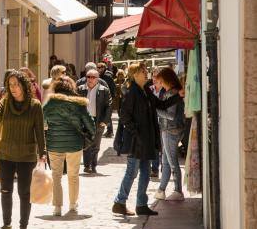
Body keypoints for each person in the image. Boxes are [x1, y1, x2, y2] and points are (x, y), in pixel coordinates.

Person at [112, 61, 177, 217]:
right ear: (135, 75)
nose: (146, 73)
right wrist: (136, 133)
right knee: (132, 172)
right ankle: (119, 202)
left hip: (147, 140)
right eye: (143, 71)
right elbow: (125, 117)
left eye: (146, 70)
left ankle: (141, 204)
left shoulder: (146, 91)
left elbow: (161, 105)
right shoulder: (132, 92)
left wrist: (178, 96)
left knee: (146, 172)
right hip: (136, 141)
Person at [0, 69, 45, 229]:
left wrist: (42, 154)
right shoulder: (5, 103)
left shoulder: (35, 106)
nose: (13, 88)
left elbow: (39, 132)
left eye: (16, 84)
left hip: (26, 156)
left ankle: (23, 228)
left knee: (24, 193)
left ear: (24, 85)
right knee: (6, 191)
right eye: (10, 85)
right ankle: (7, 225)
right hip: (6, 154)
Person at [43, 77, 95, 216]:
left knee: (56, 176)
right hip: (74, 144)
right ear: (72, 89)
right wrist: (91, 135)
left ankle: (57, 207)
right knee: (73, 175)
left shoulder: (50, 104)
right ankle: (73, 204)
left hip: (54, 144)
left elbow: (42, 121)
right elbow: (90, 124)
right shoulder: (79, 104)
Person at [154, 67, 186, 201]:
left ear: (166, 80)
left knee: (171, 162)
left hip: (170, 130)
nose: (159, 83)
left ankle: (178, 190)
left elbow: (170, 115)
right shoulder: (170, 92)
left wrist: (155, 110)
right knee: (166, 162)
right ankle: (161, 190)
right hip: (169, 130)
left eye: (160, 80)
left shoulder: (172, 93)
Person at [77, 69, 112, 174]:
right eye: (88, 77)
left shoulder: (104, 90)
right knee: (86, 144)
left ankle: (93, 165)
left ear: (97, 79)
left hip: (98, 120)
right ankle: (87, 165)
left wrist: (105, 121)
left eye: (93, 77)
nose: (90, 79)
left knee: (95, 145)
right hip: (84, 120)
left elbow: (109, 106)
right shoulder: (80, 89)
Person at [97, 62, 116, 138]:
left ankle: (110, 131)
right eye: (97, 67)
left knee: (107, 114)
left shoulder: (107, 77)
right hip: (101, 98)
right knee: (105, 114)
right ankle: (109, 130)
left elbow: (113, 88)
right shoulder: (99, 76)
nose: (98, 69)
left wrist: (112, 98)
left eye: (99, 67)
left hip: (107, 98)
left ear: (103, 68)